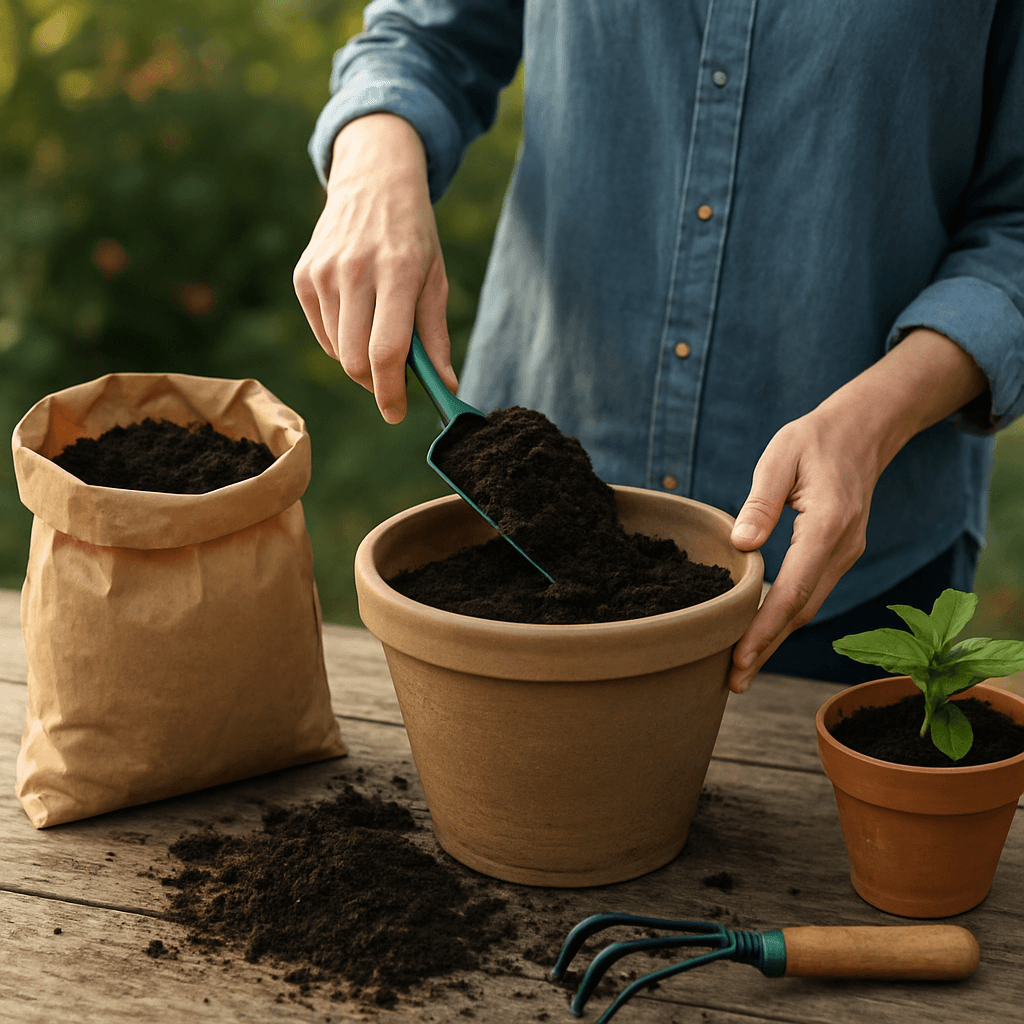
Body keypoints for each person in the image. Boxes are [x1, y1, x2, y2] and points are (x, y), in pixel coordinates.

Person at [293, 2, 1024, 693]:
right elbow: (426, 35)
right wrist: (373, 165)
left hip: (839, 568)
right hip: (514, 543)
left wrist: (875, 420)